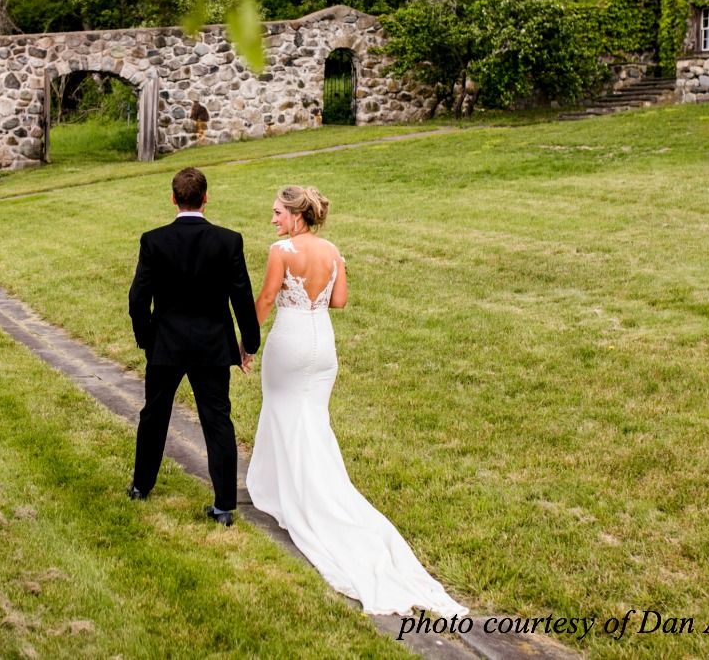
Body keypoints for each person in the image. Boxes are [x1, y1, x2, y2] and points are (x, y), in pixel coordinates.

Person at [246, 185, 467, 618]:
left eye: (276, 212)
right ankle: (315, 485)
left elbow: (269, 298)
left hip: (290, 340)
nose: (272, 220)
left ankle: (289, 491)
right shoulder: (333, 249)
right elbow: (340, 301)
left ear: (295, 215)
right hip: (322, 344)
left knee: (283, 411)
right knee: (311, 417)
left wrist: (246, 342)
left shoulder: (281, 249)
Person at [127, 167, 261, 526]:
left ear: (173, 198)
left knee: (153, 415)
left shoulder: (153, 240)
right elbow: (242, 297)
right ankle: (224, 507)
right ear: (206, 198)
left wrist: (146, 339)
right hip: (212, 347)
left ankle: (141, 487)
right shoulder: (228, 240)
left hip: (165, 345)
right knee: (217, 421)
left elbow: (138, 298)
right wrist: (249, 344)